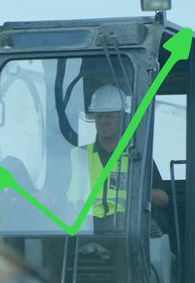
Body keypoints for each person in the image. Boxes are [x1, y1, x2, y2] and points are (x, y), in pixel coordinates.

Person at [68, 84, 169, 232]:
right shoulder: (77, 155)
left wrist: (135, 191)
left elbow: (163, 199)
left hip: (127, 233)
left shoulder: (137, 155)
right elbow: (57, 195)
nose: (103, 121)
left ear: (122, 118)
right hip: (83, 231)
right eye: (99, 116)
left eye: (109, 116)